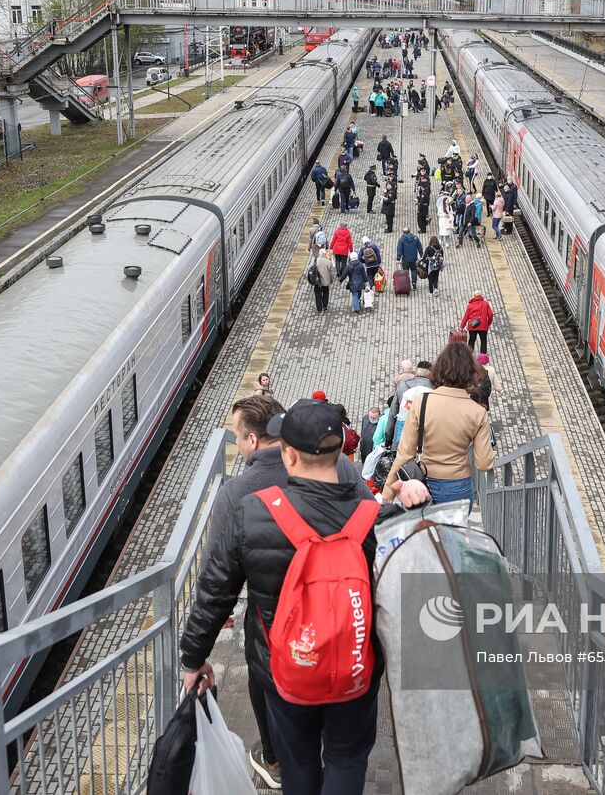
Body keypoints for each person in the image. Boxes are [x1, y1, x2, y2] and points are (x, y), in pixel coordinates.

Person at [181, 398, 430, 795]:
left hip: (286, 672)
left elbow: (215, 592)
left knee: (298, 764)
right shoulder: (373, 517)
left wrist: (193, 659)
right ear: (341, 453)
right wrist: (412, 499)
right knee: (347, 759)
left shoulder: (250, 512)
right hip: (356, 667)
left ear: (288, 454)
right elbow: (419, 564)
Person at [381, 342, 495, 510]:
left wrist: (388, 492)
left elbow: (405, 453)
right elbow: (484, 464)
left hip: (422, 484)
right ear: (471, 374)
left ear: (440, 370)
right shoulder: (478, 412)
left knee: (425, 533)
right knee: (453, 535)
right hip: (458, 487)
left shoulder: (422, 402)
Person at [309, 246, 333, 312]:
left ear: (319, 254)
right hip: (325, 281)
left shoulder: (315, 260)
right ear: (325, 254)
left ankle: (319, 307)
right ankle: (325, 306)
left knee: (318, 294)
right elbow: (331, 273)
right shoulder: (329, 262)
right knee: (326, 293)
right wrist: (331, 280)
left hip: (317, 281)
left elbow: (310, 269)